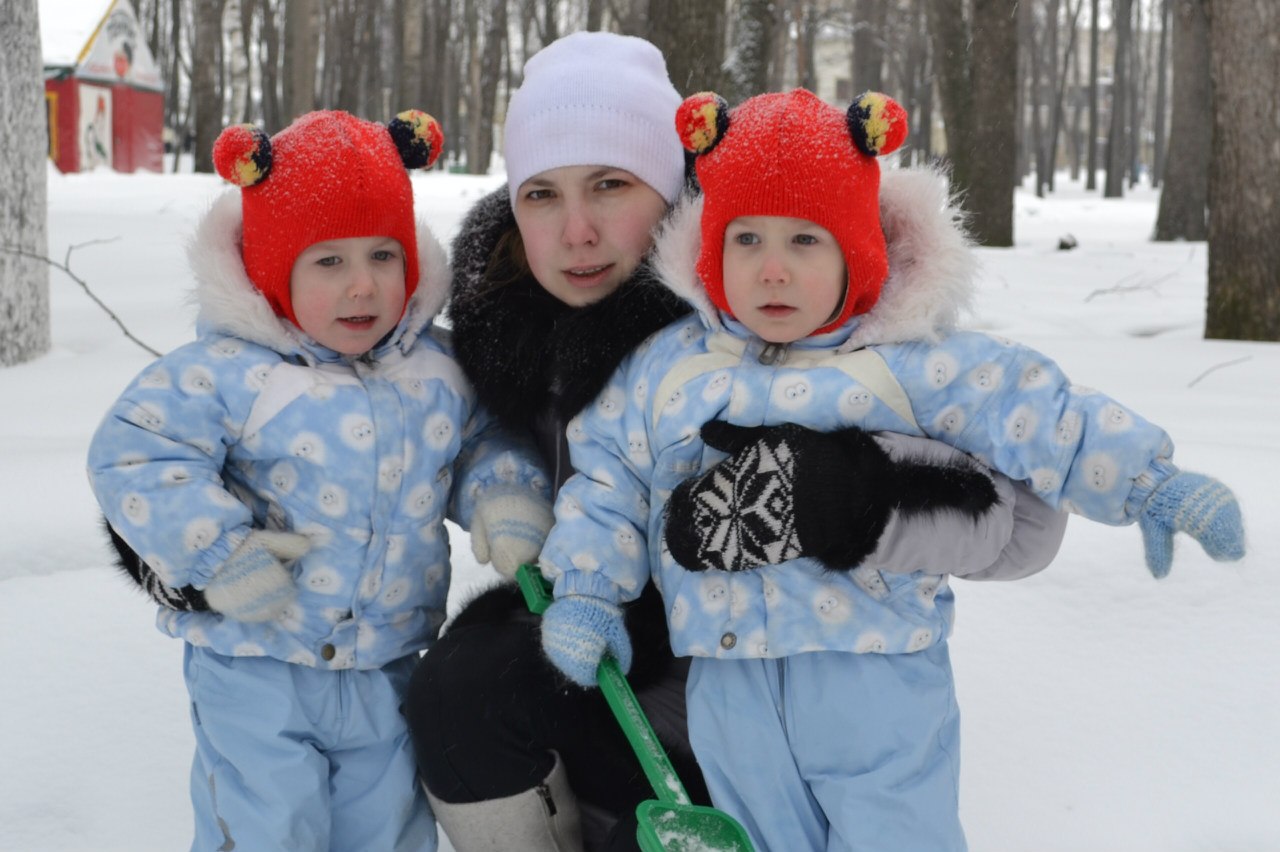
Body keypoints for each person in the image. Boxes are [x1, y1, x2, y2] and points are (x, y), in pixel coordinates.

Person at [403, 34, 1070, 852]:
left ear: (674, 188)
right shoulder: (504, 337)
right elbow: (413, 433)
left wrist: (857, 494)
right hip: (619, 677)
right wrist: (506, 487)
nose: (577, 231)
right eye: (542, 194)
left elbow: (1026, 527)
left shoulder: (795, 307)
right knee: (460, 686)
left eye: (611, 184)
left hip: (793, 705)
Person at [534, 88, 1246, 852]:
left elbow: (1042, 412)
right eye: (747, 239)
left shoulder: (907, 361)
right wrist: (586, 592)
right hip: (729, 680)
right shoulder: (670, 369)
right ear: (712, 249)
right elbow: (607, 483)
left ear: (856, 251)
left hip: (874, 675)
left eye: (804, 241)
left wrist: (1149, 484)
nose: (772, 271)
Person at [86, 109, 553, 852]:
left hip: (388, 661)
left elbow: (482, 440)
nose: (362, 285)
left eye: (382, 256)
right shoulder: (232, 371)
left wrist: (502, 494)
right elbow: (136, 452)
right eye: (328, 262)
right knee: (268, 828)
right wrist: (219, 555)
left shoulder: (437, 368)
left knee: (388, 831)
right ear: (276, 270)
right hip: (256, 664)